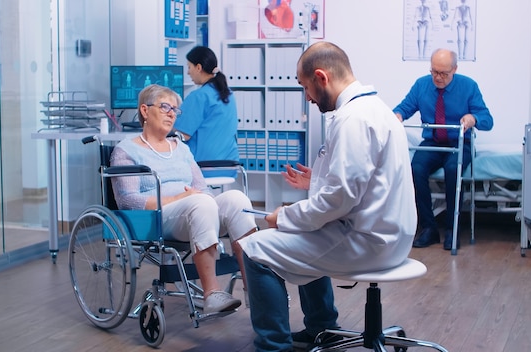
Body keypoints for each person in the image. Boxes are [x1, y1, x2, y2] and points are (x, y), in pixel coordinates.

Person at [238, 42, 417, 352]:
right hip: (391, 236)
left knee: (253, 250)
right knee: (305, 229)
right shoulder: (376, 109)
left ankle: (273, 347)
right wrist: (316, 180)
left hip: (368, 242)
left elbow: (339, 198)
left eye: (305, 88)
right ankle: (321, 328)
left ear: (321, 77)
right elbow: (363, 182)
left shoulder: (353, 120)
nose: (307, 98)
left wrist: (284, 215)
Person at [110, 84, 257, 313]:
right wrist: (182, 198)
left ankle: (256, 290)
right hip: (156, 218)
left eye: (175, 110)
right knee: (200, 202)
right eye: (165, 107)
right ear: (145, 111)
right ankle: (212, 293)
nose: (172, 113)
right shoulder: (126, 150)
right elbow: (129, 201)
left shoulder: (181, 148)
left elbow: (201, 189)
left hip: (194, 211)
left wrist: (198, 200)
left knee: (236, 199)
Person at [393, 48, 493, 251]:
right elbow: (404, 108)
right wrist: (396, 116)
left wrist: (473, 119)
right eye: (434, 72)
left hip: (458, 143)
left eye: (443, 73)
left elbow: (487, 120)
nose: (437, 77)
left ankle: (452, 229)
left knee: (452, 170)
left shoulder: (468, 86)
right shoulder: (422, 85)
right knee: (416, 169)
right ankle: (429, 229)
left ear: (454, 69)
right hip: (432, 142)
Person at [173, 46, 239, 178]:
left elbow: (182, 135)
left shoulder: (199, 96)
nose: (188, 72)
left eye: (189, 67)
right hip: (229, 166)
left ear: (198, 67)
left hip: (203, 167)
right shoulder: (228, 94)